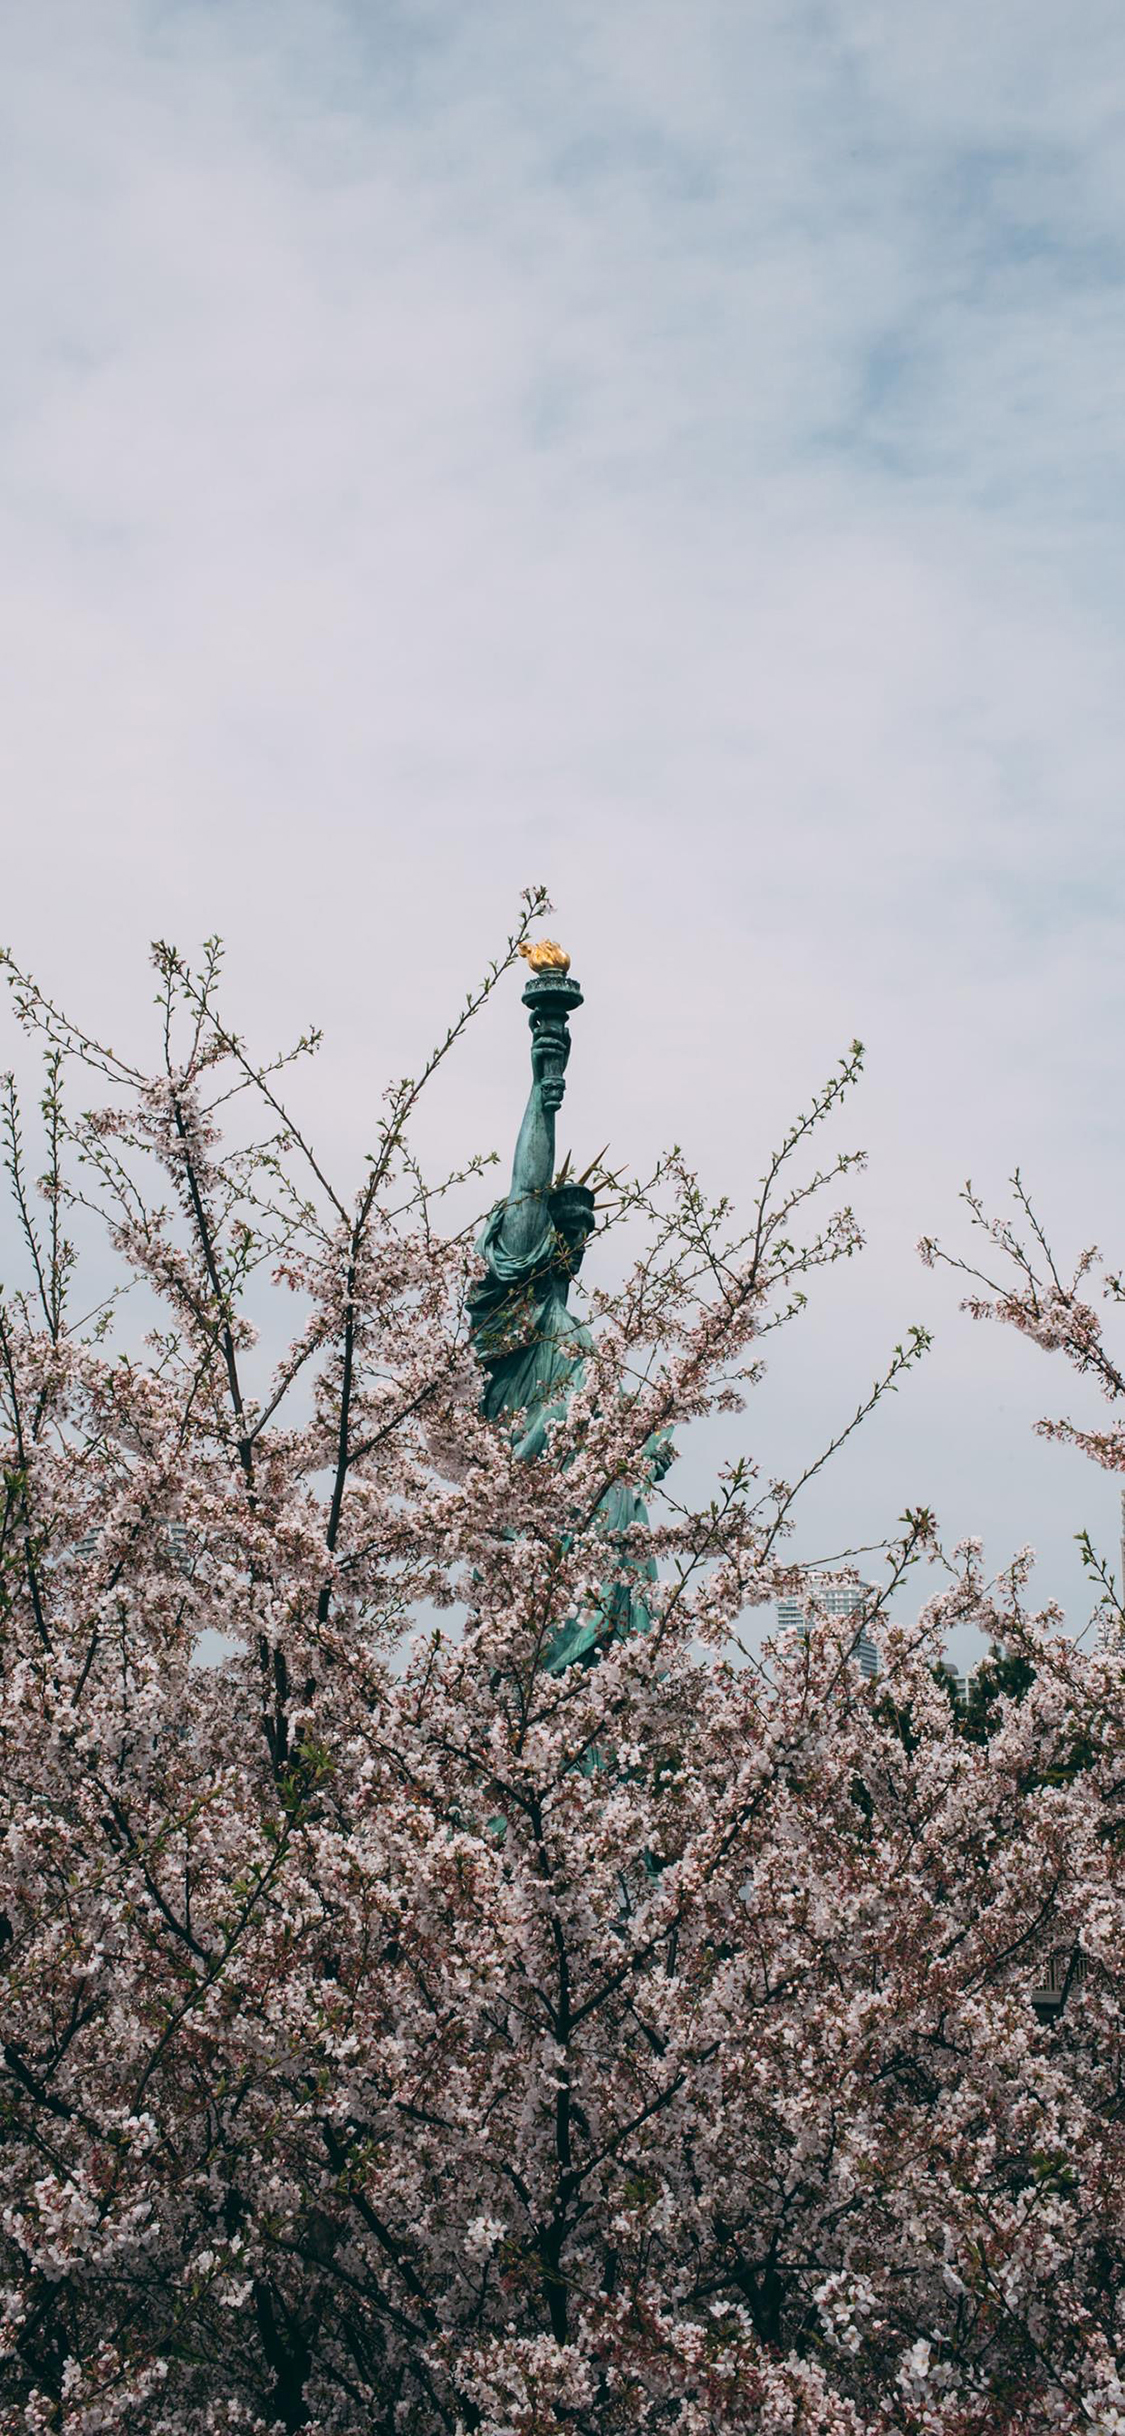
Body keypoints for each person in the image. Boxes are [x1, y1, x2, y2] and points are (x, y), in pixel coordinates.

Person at [468, 1010, 670, 1672]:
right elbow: (526, 1190)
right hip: (534, 1527)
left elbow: (605, 1428)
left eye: (585, 1231)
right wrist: (542, 1086)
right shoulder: (518, 1320)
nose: (576, 1243)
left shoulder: (581, 1337)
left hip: (602, 1535)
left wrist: (644, 1449)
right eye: (565, 1227)